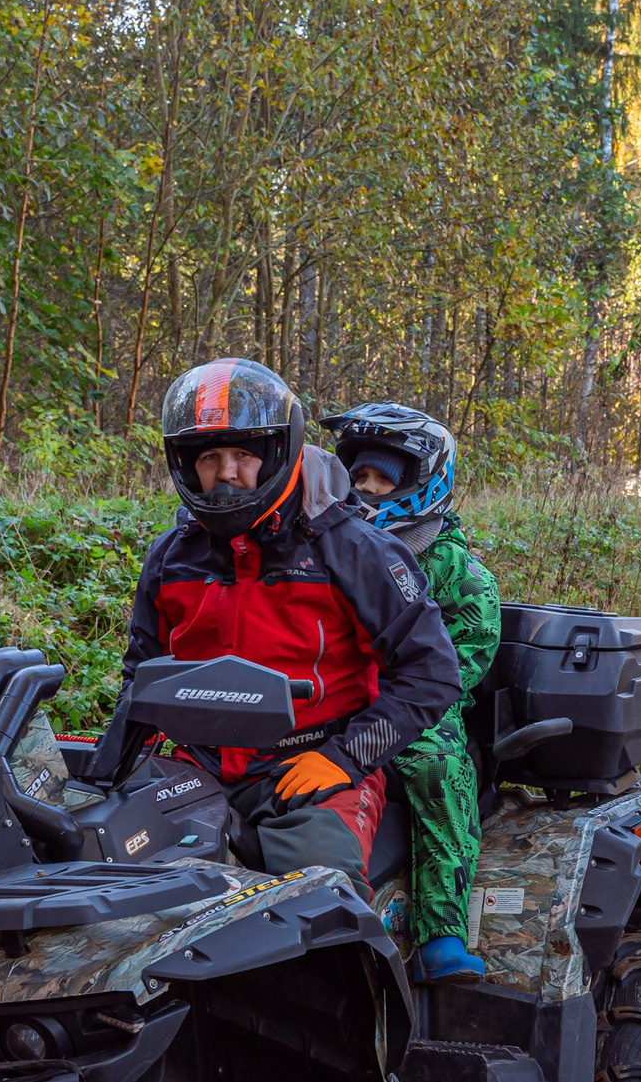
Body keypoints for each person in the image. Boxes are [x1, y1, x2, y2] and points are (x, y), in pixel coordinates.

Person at [116, 359, 460, 894]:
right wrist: (115, 760)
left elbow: (431, 674)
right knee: (106, 865)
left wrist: (347, 757)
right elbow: (141, 672)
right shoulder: (172, 557)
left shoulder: (354, 550)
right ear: (184, 463)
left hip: (311, 765)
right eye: (209, 457)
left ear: (278, 451)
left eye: (243, 455)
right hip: (197, 764)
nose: (227, 473)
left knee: (320, 902)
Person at [323, 401, 501, 985]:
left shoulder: (455, 570)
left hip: (420, 709)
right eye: (359, 476)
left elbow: (465, 659)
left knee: (436, 768)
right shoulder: (330, 547)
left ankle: (440, 933)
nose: (368, 490)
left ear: (425, 483)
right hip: (336, 692)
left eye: (384, 478)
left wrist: (398, 697)